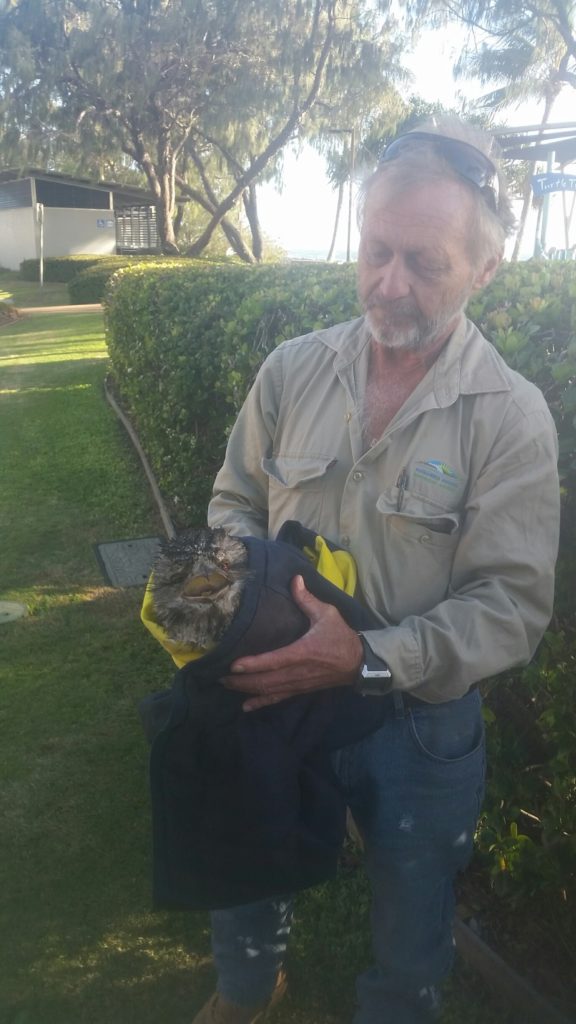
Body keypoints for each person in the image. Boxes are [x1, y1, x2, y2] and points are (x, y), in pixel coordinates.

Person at [193, 119, 560, 1024]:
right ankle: (247, 992)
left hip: (420, 727)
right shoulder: (292, 372)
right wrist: (244, 602)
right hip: (280, 686)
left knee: (411, 928)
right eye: (376, 251)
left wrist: (361, 658)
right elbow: (233, 500)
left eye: (425, 263)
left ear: (485, 270)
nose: (389, 283)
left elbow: (511, 607)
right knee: (246, 859)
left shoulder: (511, 419)